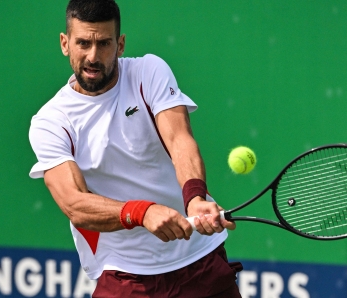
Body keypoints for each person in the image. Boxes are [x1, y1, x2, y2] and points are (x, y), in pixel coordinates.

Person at [28, 0, 242, 296]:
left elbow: (180, 140)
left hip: (199, 262)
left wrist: (194, 197)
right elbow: (73, 203)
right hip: (126, 276)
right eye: (83, 43)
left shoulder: (148, 73)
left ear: (120, 44)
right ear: (65, 43)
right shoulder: (51, 122)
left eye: (104, 43)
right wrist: (142, 212)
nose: (93, 56)